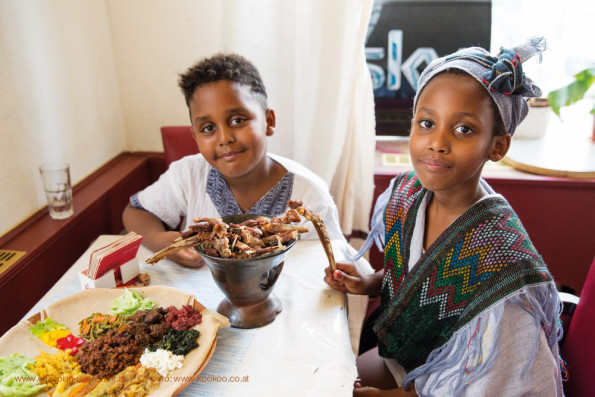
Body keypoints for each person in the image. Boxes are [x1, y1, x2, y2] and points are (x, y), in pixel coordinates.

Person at [324, 38, 564, 396]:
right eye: (426, 123)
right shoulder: (407, 194)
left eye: (463, 129)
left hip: (461, 383)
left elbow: (489, 380)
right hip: (407, 364)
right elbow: (417, 276)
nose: (437, 142)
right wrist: (370, 282)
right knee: (317, 378)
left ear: (496, 146)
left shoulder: (501, 264)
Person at [123, 53, 344, 267]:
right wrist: (158, 239)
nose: (225, 138)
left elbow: (330, 263)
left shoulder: (310, 197)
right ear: (195, 137)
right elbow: (136, 212)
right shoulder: (188, 174)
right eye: (208, 128)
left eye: (238, 120)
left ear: (268, 121)